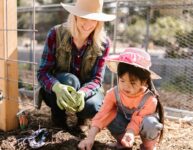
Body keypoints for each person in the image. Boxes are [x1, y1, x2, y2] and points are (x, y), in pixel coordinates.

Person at [37, 0, 116, 129]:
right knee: (70, 81)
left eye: (94, 19)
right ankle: (58, 118)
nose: (88, 24)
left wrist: (83, 93)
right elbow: (42, 72)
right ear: (75, 17)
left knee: (94, 106)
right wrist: (57, 87)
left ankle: (82, 119)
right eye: (84, 18)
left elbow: (97, 79)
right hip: (57, 88)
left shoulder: (103, 43)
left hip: (86, 89)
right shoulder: (55, 34)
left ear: (99, 22)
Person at [78, 48, 164, 150]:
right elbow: (102, 115)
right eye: (122, 80)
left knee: (151, 123)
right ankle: (122, 142)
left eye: (132, 83)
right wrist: (90, 138)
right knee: (110, 114)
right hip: (123, 125)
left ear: (144, 81)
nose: (126, 87)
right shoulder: (113, 93)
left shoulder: (150, 99)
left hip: (141, 126)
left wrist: (130, 133)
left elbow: (138, 119)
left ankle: (148, 147)